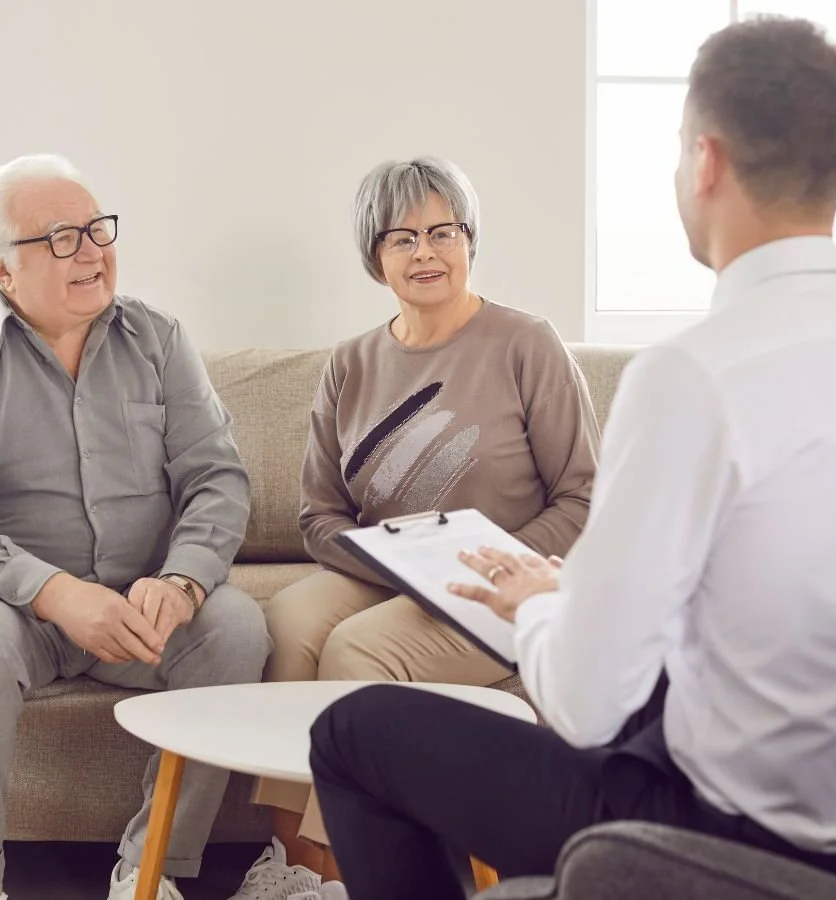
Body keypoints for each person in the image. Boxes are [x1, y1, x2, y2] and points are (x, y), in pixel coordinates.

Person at [307, 17, 836, 900]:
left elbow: (585, 701)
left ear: (705, 162)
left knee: (350, 735)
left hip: (728, 842)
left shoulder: (692, 374)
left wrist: (539, 605)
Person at [0, 154, 272, 900]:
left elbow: (217, 477)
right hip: (15, 607)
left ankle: (149, 872)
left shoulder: (158, 339)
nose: (93, 252)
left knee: (236, 627)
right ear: (1, 271)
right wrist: (56, 594)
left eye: (98, 229)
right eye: (61, 238)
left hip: (141, 603)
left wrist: (181, 579)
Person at [232, 156, 600, 898]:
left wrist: (485, 566)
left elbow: (583, 497)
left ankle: (346, 871)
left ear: (469, 239)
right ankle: (291, 867)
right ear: (375, 256)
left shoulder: (526, 344)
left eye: (442, 232)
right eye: (401, 238)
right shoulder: (351, 363)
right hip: (390, 571)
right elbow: (318, 514)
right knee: (290, 620)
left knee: (356, 647)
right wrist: (397, 566)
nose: (425, 252)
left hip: (493, 587)